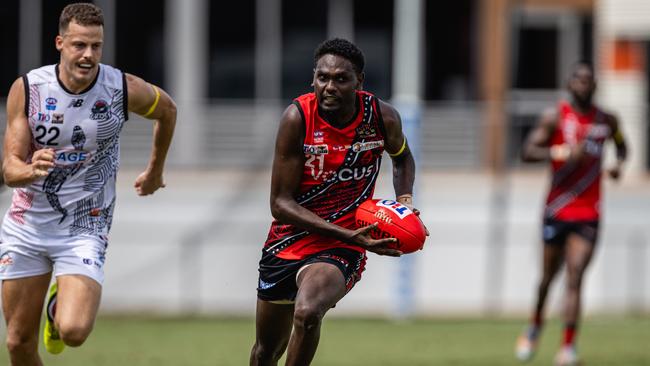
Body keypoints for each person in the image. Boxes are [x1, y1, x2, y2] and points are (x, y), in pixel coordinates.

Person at [0, 3, 176, 365]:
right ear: (60, 43)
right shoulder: (30, 88)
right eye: (80, 45)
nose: (89, 55)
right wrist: (31, 169)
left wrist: (156, 170)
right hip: (27, 226)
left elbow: (168, 111)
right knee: (18, 343)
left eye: (96, 46)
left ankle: (55, 309)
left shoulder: (121, 89)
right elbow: (9, 169)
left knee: (74, 332)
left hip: (85, 224)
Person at [249, 38, 426, 366]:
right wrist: (348, 234)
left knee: (307, 312)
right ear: (313, 79)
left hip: (341, 247)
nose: (330, 86)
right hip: (288, 239)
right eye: (323, 77)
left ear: (359, 82)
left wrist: (405, 200)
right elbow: (279, 204)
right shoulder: (297, 118)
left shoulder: (381, 118)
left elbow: (402, 158)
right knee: (265, 352)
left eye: (341, 79)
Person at [515, 62, 628, 366]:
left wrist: (618, 164)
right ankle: (535, 325)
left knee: (575, 275)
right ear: (569, 83)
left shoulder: (607, 120)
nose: (583, 84)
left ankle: (567, 348)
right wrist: (562, 152)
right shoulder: (555, 117)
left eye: (588, 80)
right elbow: (527, 152)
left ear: (595, 85)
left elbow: (622, 146)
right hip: (557, 208)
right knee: (547, 279)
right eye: (577, 79)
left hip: (589, 211)